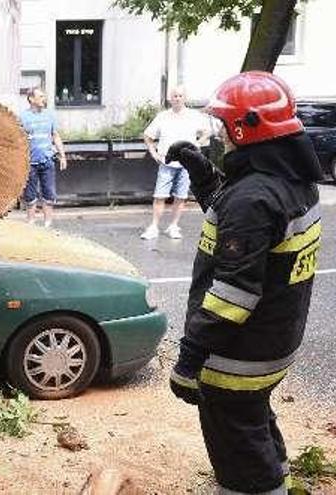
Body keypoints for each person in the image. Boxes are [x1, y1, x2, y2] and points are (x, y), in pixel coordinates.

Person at [166, 71, 321, 494]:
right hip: (272, 348)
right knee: (256, 426)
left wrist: (189, 359)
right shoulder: (292, 183)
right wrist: (204, 177)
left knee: (238, 455)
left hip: (237, 357)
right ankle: (278, 483)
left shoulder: (253, 198)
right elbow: (242, 231)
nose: (220, 134)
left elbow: (233, 294)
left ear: (244, 128)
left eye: (223, 125)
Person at [141, 86, 209, 240]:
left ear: (185, 98)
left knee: (181, 196)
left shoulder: (194, 116)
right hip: (167, 162)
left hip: (186, 163)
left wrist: (197, 145)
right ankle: (154, 227)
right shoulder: (163, 117)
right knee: (159, 195)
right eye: (174, 96)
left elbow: (207, 131)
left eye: (180, 96)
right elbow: (148, 135)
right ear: (170, 99)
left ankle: (173, 226)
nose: (177, 98)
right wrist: (154, 153)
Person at [20, 87, 67, 227]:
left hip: (47, 161)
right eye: (40, 97)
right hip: (30, 162)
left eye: (44, 97)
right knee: (30, 195)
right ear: (31, 99)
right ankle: (31, 224)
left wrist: (62, 156)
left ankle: (47, 225)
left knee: (49, 193)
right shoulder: (22, 117)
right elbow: (17, 139)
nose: (43, 99)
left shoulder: (49, 115)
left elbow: (55, 136)